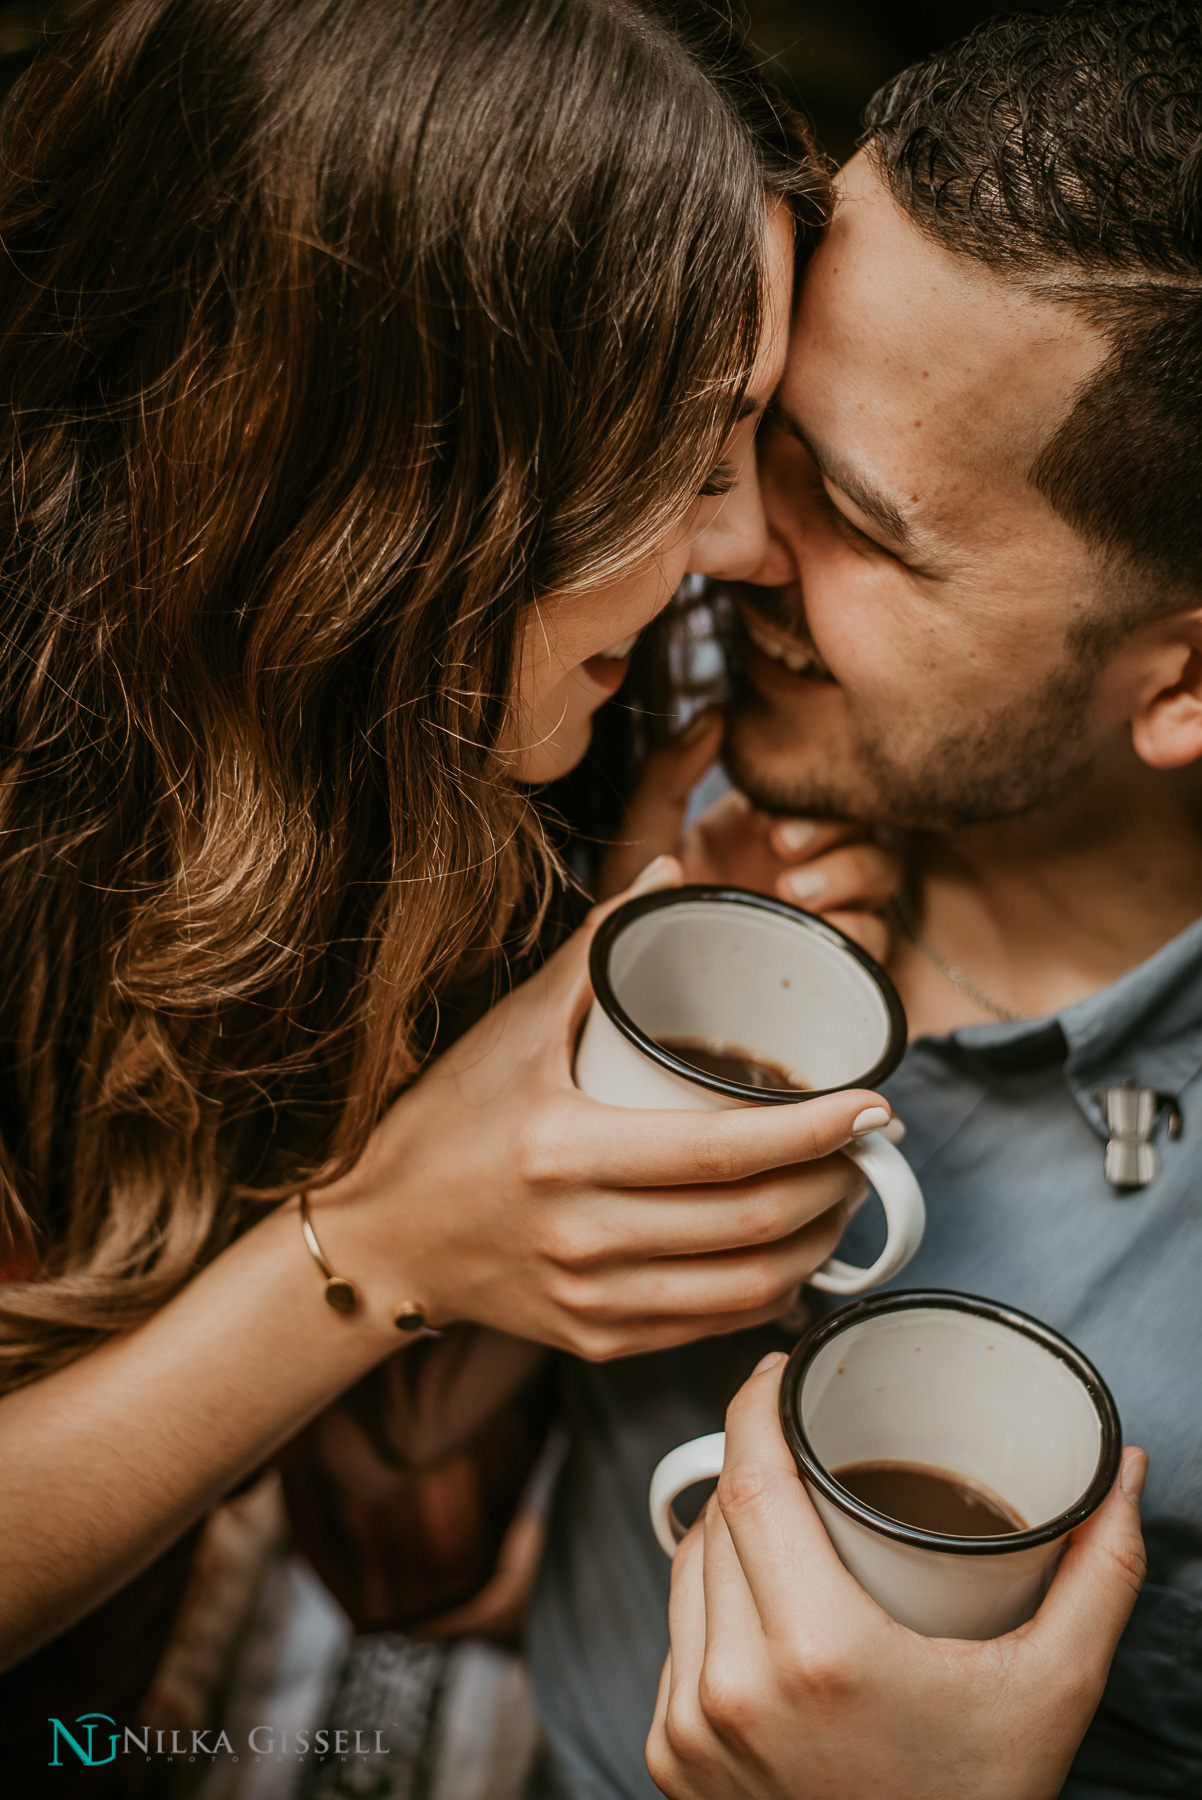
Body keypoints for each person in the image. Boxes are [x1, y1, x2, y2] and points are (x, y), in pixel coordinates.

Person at [0, 0, 907, 1786]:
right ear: (381, 457)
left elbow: (383, 1444)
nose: (737, 547)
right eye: (687, 451)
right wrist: (373, 1251)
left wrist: (603, 997)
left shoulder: (406, 769)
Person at [528, 5, 1202, 1797]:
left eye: (859, 518)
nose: (726, 540)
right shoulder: (621, 707)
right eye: (757, 433)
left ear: (1182, 680)